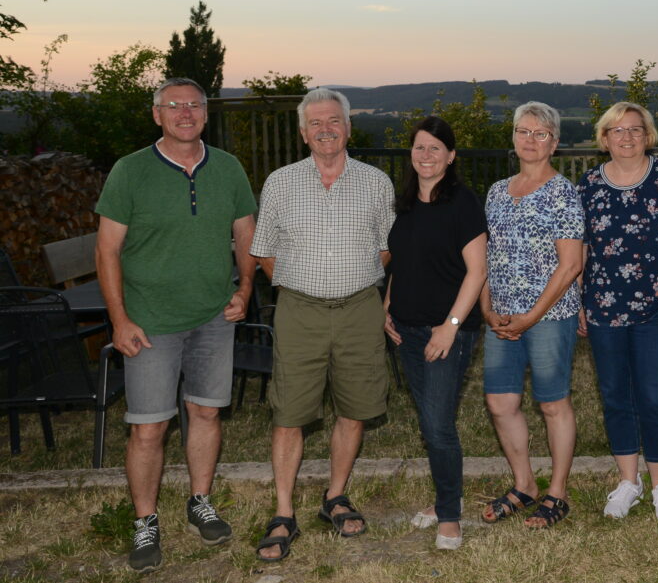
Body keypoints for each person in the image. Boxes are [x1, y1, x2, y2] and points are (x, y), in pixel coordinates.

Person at [95, 77, 257, 573]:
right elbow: (106, 250)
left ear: (206, 115)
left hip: (213, 316)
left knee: (205, 414)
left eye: (194, 106)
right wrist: (119, 319)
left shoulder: (228, 168)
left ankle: (199, 501)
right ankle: (145, 521)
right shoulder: (131, 171)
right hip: (149, 322)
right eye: (174, 106)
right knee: (149, 428)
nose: (185, 113)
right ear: (157, 115)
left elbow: (246, 234)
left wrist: (245, 290)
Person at [250, 88, 395, 561]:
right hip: (300, 310)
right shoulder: (280, 182)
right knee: (290, 411)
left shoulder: (376, 182)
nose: (326, 129)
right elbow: (264, 250)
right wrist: (300, 284)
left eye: (334, 120)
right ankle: (284, 511)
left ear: (349, 128)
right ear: (302, 132)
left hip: (359, 309)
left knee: (354, 404)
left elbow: (386, 246)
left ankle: (335, 496)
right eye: (316, 123)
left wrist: (351, 279)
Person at [577, 102, 658, 522]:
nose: (626, 137)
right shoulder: (589, 183)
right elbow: (578, 247)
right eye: (617, 130)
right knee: (615, 397)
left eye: (635, 129)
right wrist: (579, 297)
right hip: (602, 308)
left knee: (654, 397)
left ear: (648, 135)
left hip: (655, 307)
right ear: (604, 138)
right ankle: (629, 482)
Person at [383, 116, 487, 551]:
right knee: (429, 422)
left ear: (451, 156)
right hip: (405, 329)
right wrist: (388, 304)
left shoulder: (463, 202)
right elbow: (403, 260)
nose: (425, 156)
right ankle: (445, 496)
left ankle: (449, 516)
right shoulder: (404, 201)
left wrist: (450, 327)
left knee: (439, 425)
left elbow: (477, 271)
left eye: (435, 148)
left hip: (446, 332)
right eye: (419, 148)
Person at [480, 101, 584, 529]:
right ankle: (523, 485)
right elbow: (488, 255)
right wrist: (487, 309)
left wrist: (531, 316)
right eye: (524, 131)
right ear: (514, 138)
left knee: (552, 404)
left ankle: (557, 493)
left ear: (554, 143)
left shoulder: (563, 193)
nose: (531, 140)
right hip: (501, 318)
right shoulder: (496, 191)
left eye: (541, 134)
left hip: (549, 315)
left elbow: (571, 265)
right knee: (500, 402)